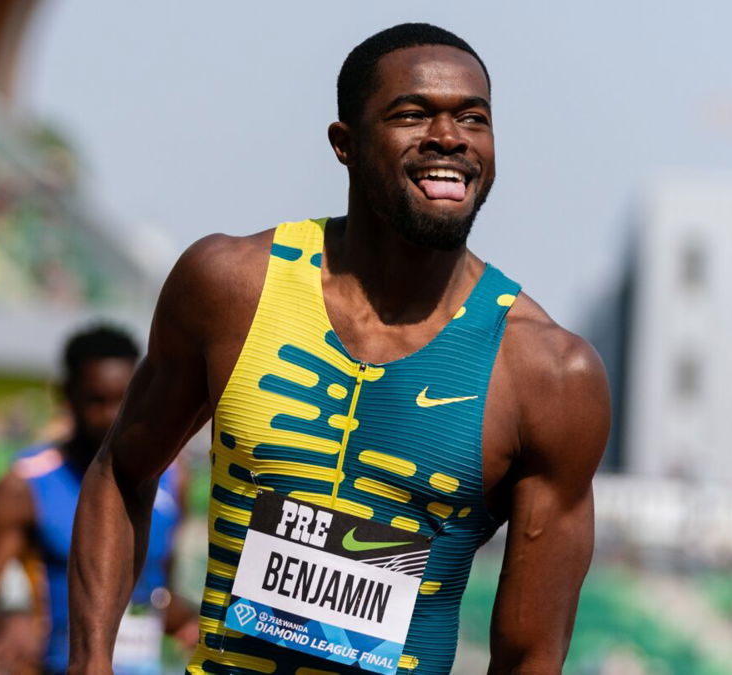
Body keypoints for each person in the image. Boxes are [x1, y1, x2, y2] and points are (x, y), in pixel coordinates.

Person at [66, 23, 610, 675]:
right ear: (344, 145)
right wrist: (90, 660)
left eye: (474, 117)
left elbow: (530, 656)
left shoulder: (548, 372)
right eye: (413, 114)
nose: (450, 136)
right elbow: (122, 472)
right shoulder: (229, 286)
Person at [0, 325, 198, 674]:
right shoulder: (24, 486)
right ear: (67, 395)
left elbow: (158, 589)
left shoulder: (174, 475)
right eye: (97, 400)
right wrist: (11, 621)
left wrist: (193, 620)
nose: (113, 417)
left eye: (125, 399)